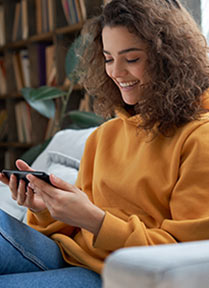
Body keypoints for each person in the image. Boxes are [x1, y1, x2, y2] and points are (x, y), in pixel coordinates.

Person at [1, 0, 209, 286]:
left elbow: (185, 255)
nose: (116, 72)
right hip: (67, 254)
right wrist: (44, 208)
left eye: (131, 59)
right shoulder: (105, 135)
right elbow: (75, 222)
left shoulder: (199, 138)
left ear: (170, 58)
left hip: (115, 275)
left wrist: (97, 221)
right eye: (109, 58)